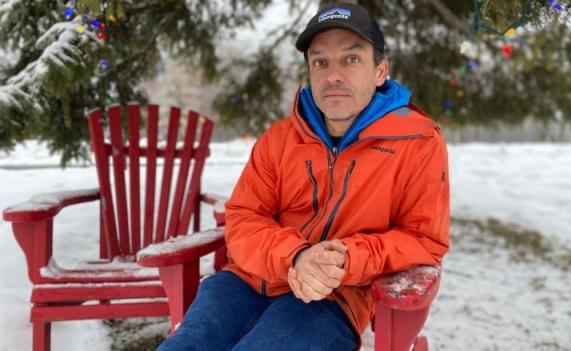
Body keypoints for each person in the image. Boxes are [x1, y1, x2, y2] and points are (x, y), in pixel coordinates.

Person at [158, 3, 449, 350]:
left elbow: (423, 240)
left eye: (351, 59)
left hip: (333, 298)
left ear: (380, 70)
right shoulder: (281, 139)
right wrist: (295, 256)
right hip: (246, 281)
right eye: (320, 61)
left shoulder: (416, 142)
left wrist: (344, 260)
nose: (333, 75)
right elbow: (244, 216)